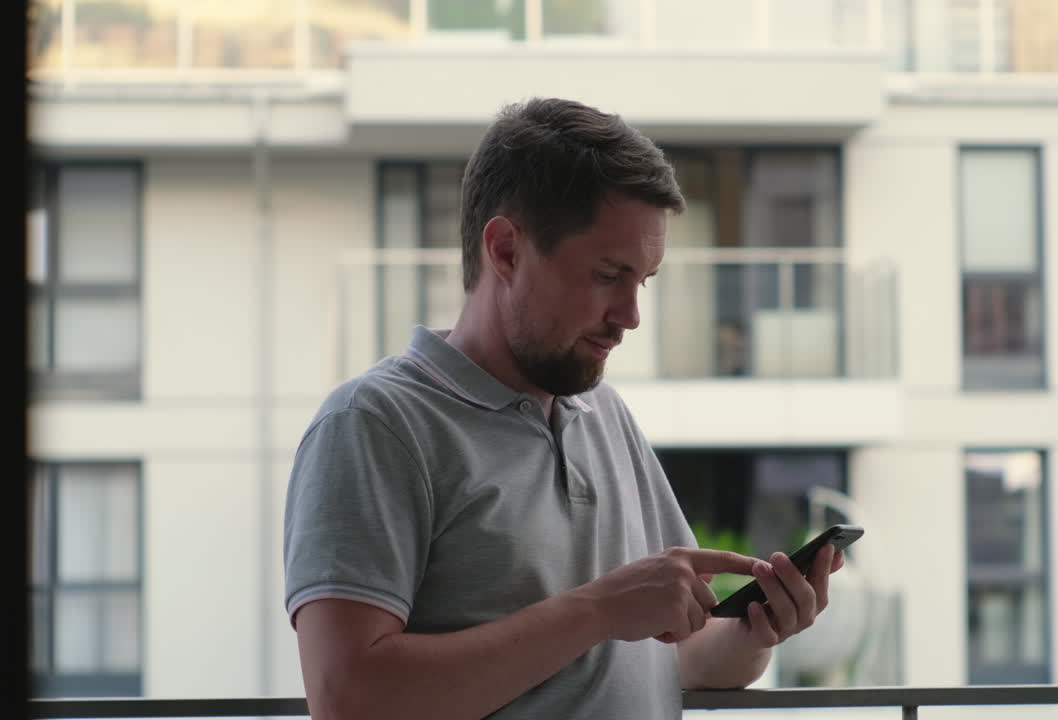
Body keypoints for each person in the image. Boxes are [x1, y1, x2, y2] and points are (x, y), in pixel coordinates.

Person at [282, 97, 844, 720]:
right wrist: (596, 610)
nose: (631, 316)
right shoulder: (375, 425)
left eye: (643, 282)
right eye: (608, 274)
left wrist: (755, 631)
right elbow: (348, 698)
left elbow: (679, 658)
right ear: (505, 251)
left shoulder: (605, 413)